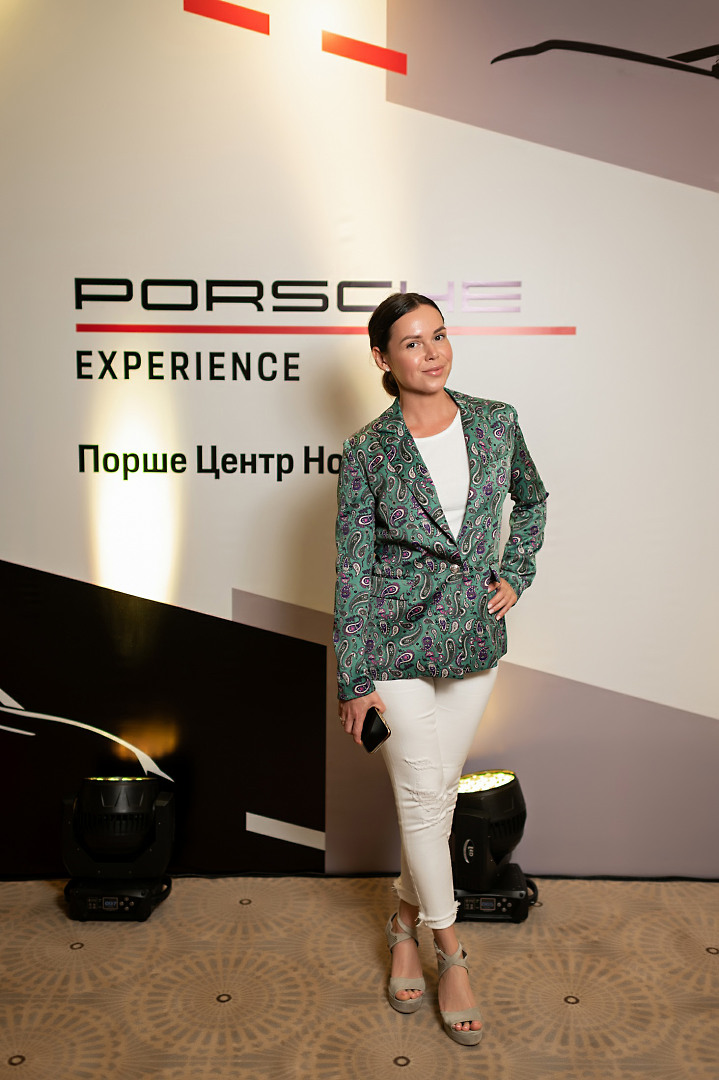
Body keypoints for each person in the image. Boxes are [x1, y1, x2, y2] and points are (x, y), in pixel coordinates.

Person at [333, 292, 548, 1046]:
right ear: (382, 358)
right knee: (426, 801)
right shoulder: (368, 450)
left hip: (473, 646)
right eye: (412, 342)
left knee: (432, 799)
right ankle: (449, 953)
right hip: (392, 646)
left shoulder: (496, 421)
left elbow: (532, 499)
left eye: (440, 335)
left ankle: (401, 922)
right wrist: (353, 679)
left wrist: (515, 572)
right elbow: (353, 569)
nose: (432, 352)